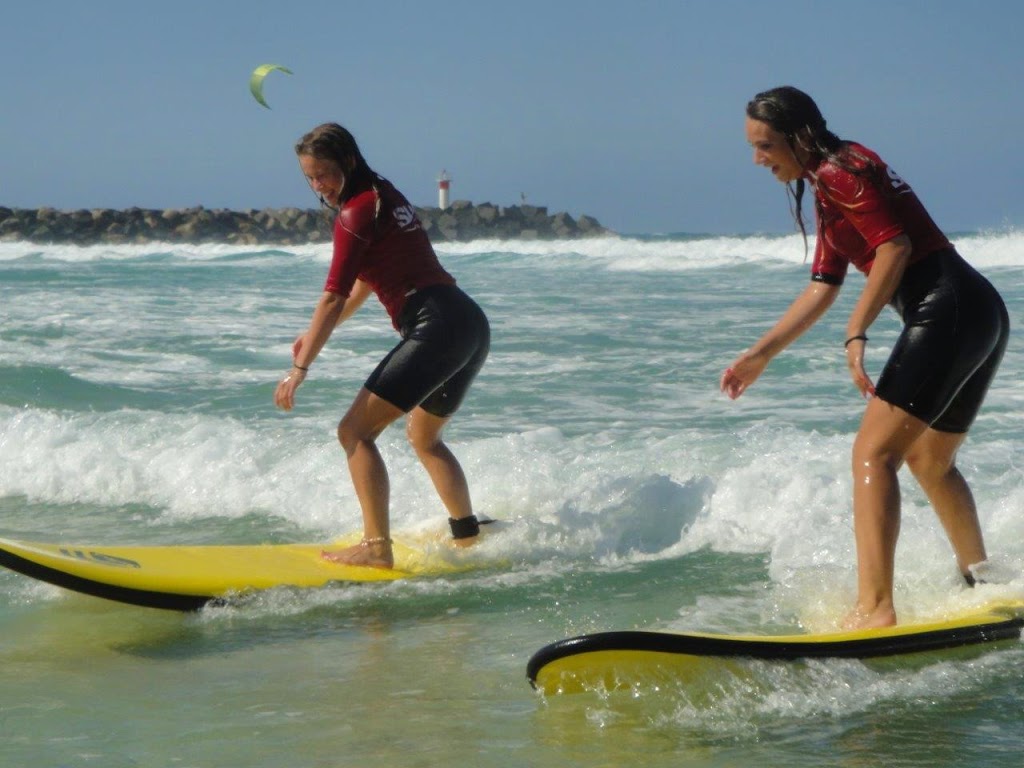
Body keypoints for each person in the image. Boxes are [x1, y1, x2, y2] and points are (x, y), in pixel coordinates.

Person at [721, 86, 1009, 629]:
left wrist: (857, 333)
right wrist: (761, 354)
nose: (757, 159)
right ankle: (985, 581)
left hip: (948, 310)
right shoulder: (832, 180)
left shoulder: (840, 174)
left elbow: (894, 248)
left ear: (798, 137)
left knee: (873, 455)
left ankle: (875, 608)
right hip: (977, 310)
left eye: (765, 146)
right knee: (930, 460)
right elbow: (822, 285)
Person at [274, 123, 490, 569]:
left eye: (325, 174)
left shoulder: (356, 212)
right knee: (424, 437)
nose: (319, 187)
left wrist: (301, 369)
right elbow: (365, 284)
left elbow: (333, 295)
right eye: (310, 178)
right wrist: (311, 337)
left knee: (354, 433)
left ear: (348, 162)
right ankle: (468, 538)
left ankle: (376, 549)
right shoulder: (384, 194)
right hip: (467, 322)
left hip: (436, 326)